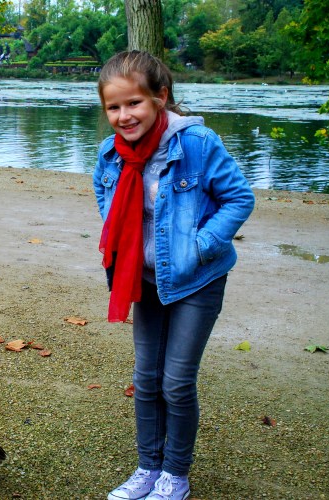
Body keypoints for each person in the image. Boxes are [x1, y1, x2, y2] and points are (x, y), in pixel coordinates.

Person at [92, 50, 255, 500]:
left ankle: (175, 475)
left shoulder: (197, 144)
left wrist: (199, 247)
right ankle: (148, 467)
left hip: (197, 280)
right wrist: (123, 245)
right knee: (146, 378)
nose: (124, 116)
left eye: (134, 103)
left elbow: (239, 199)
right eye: (113, 107)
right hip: (144, 279)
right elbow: (106, 201)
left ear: (160, 97)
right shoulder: (110, 155)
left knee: (177, 382)